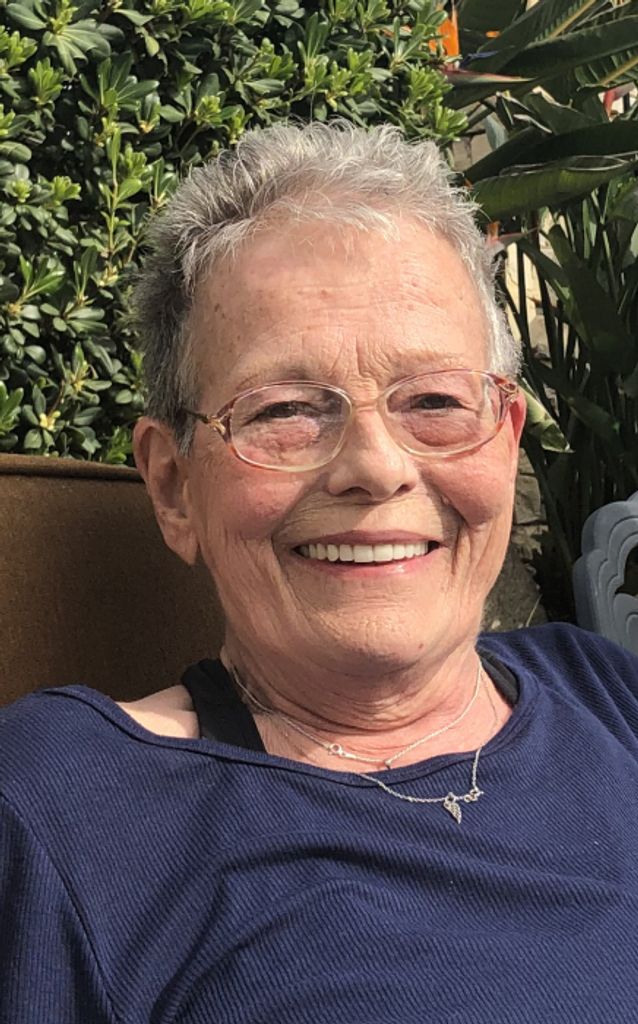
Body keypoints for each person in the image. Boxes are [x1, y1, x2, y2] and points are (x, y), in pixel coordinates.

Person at [2, 122, 638, 1024]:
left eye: (434, 400)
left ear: (505, 442)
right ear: (174, 487)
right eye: (287, 410)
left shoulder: (605, 692)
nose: (376, 467)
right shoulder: (60, 806)